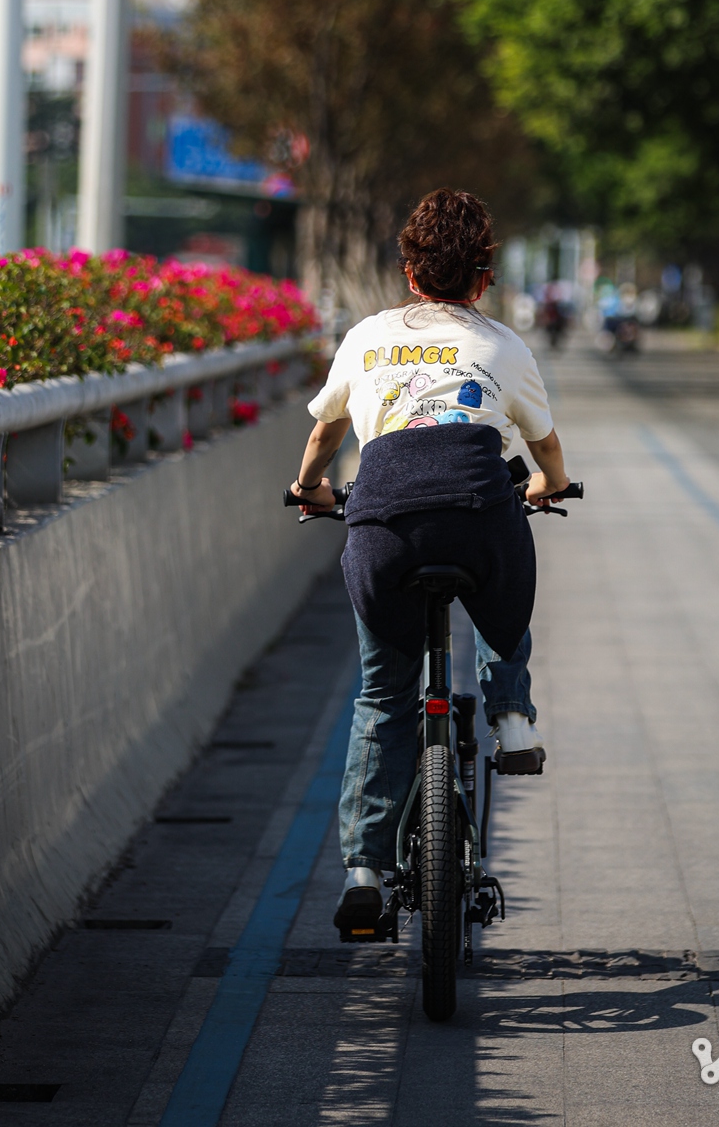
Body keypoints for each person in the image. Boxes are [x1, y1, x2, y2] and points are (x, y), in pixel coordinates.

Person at [290, 188, 574, 938]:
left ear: (410, 272)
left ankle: (363, 870)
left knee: (384, 695)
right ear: (484, 275)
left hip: (382, 528)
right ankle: (512, 719)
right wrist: (547, 487)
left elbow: (324, 435)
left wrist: (311, 490)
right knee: (506, 585)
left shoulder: (366, 337)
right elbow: (546, 454)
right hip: (478, 521)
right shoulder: (504, 346)